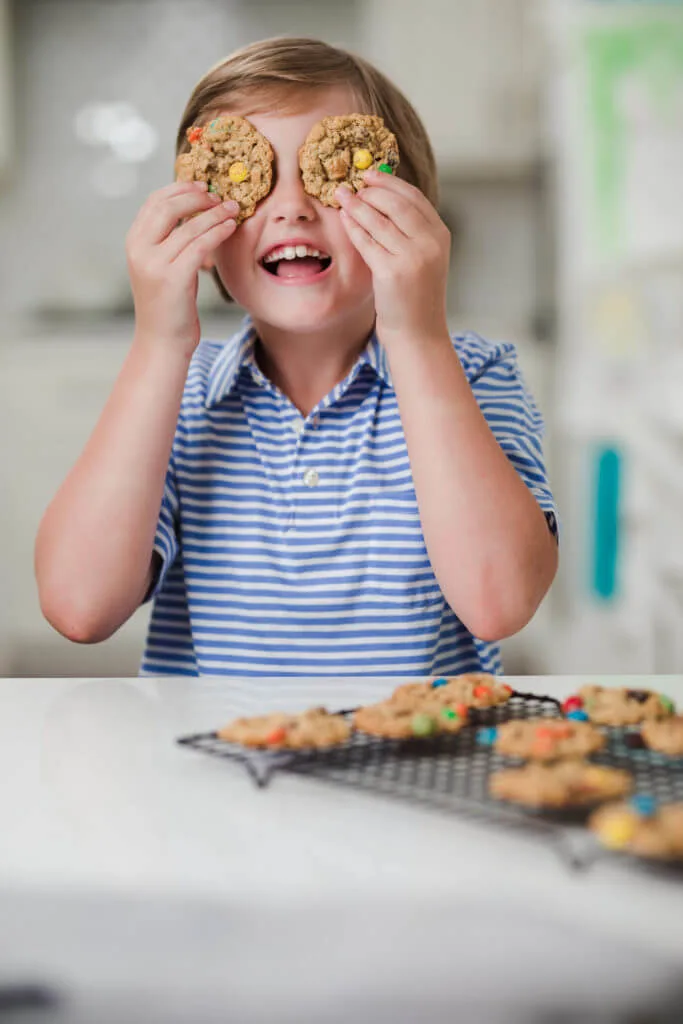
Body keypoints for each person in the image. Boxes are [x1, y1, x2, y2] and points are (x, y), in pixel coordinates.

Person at [35, 37, 558, 678]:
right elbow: (77, 608)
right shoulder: (179, 393)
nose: (290, 206)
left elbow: (499, 602)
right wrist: (157, 345)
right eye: (252, 183)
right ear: (199, 224)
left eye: (332, 175)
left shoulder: (475, 375)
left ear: (410, 212)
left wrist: (418, 338)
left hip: (414, 767)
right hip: (209, 768)